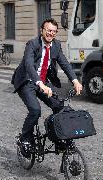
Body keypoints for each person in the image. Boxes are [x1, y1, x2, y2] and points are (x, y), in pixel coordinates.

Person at [11, 18, 83, 156]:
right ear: (42, 30)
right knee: (35, 110)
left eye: (54, 31)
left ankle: (58, 136)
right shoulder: (32, 44)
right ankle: (25, 138)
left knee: (60, 107)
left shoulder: (56, 45)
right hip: (27, 81)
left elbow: (65, 63)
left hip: (43, 82)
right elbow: (29, 65)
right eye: (48, 30)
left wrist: (75, 80)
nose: (51, 33)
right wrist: (40, 84)